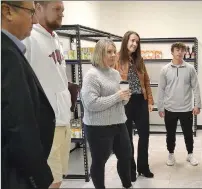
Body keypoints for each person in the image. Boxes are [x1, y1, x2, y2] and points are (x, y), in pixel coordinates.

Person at [1, 1, 56, 189]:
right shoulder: (6, 55)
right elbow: (18, 123)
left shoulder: (12, 50)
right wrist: (38, 176)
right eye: (30, 12)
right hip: (14, 172)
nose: (34, 20)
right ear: (7, 11)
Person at [22, 1, 74, 188]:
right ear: (38, 8)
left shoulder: (56, 38)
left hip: (63, 120)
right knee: (50, 181)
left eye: (62, 10)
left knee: (59, 177)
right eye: (56, 9)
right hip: (46, 124)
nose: (61, 14)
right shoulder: (28, 38)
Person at [81, 39, 133, 189]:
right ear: (99, 54)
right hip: (98, 127)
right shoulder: (92, 75)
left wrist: (125, 98)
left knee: (125, 155)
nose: (112, 55)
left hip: (118, 122)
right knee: (99, 161)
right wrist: (118, 96)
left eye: (113, 51)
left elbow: (119, 100)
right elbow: (91, 104)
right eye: (108, 52)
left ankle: (127, 185)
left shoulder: (115, 73)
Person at [113, 31, 154, 180]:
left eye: (137, 42)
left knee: (144, 136)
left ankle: (143, 167)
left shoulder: (139, 60)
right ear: (125, 41)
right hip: (125, 102)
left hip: (140, 101)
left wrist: (149, 101)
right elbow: (112, 81)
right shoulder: (116, 58)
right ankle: (130, 170)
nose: (135, 44)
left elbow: (147, 81)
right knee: (126, 138)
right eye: (132, 41)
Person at [158, 42, 202, 166]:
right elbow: (161, 89)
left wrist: (197, 105)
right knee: (170, 134)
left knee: (188, 133)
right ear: (172, 52)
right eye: (177, 50)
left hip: (186, 108)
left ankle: (190, 154)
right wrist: (160, 107)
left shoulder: (190, 69)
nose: (179, 52)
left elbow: (196, 88)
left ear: (184, 52)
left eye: (182, 50)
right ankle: (171, 154)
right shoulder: (165, 69)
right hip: (169, 108)